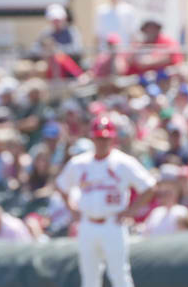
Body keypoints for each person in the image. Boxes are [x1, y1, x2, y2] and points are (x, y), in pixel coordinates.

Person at [56, 116, 156, 287]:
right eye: (98, 137)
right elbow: (61, 185)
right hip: (87, 223)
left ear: (112, 138)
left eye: (105, 138)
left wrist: (131, 211)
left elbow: (149, 187)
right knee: (89, 278)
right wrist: (71, 207)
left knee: (119, 275)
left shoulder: (123, 162)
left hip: (113, 223)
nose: (102, 141)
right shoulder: (80, 162)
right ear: (92, 138)